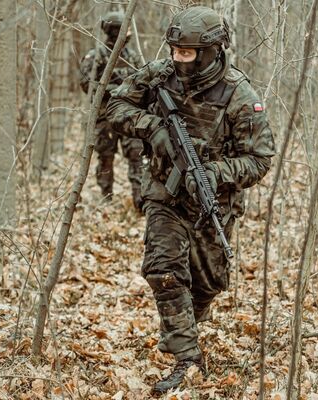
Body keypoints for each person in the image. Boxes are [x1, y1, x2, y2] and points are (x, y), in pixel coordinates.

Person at [106, 6, 275, 394]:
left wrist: (216, 173)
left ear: (212, 51)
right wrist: (152, 128)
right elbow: (115, 104)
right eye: (175, 50)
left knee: (209, 284)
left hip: (213, 202)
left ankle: (185, 324)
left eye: (188, 52)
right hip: (165, 194)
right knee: (163, 271)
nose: (179, 59)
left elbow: (260, 159)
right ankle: (187, 358)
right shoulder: (159, 74)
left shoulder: (239, 95)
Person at [79, 11, 145, 211]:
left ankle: (139, 201)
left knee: (136, 155)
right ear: (116, 31)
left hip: (129, 116)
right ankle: (106, 199)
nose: (129, 34)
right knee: (106, 157)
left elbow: (143, 83)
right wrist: (114, 89)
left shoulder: (132, 57)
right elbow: (86, 84)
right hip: (105, 117)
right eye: (125, 30)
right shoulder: (96, 56)